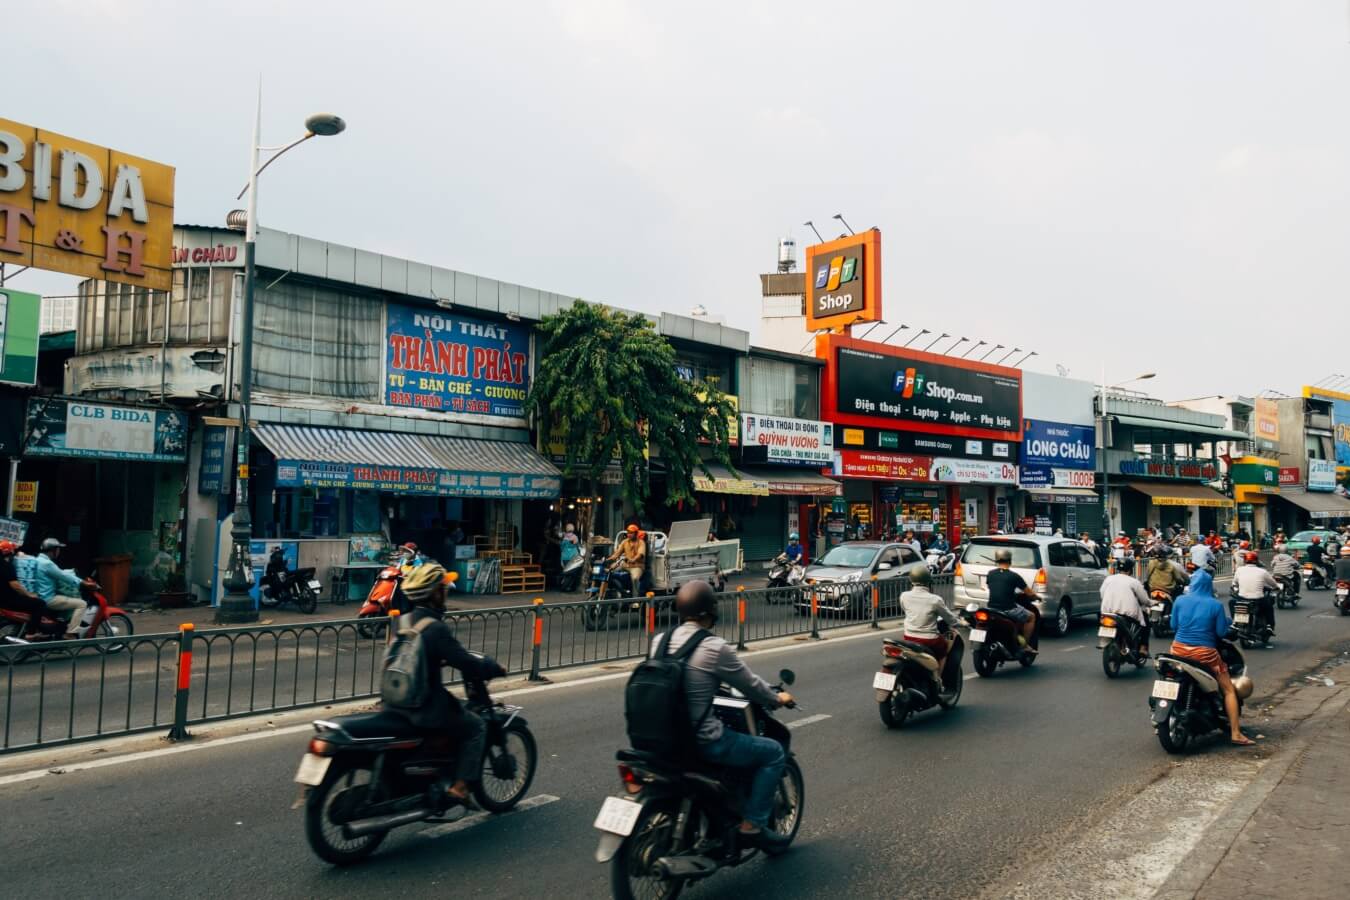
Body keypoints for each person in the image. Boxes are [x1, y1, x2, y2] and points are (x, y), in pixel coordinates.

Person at [652, 581, 794, 849]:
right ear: (710, 611)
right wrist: (777, 698)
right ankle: (752, 825)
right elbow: (751, 685)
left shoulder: (660, 641)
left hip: (662, 739)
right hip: (703, 741)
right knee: (773, 752)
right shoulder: (714, 647)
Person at [393, 561, 505, 807]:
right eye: (444, 588)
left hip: (395, 702)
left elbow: (408, 658)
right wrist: (493, 668)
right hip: (425, 706)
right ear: (435, 593)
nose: (447, 592)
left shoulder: (401, 622)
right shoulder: (435, 628)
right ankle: (460, 787)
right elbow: (465, 661)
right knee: (475, 727)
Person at [1169, 569, 1253, 746]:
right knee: (1229, 689)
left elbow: (1173, 625)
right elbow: (1221, 632)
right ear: (1209, 586)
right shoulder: (1214, 605)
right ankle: (1236, 733)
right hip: (1204, 654)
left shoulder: (1180, 600)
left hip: (1178, 650)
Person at [899, 563, 964, 682]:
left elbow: (907, 611)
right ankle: (937, 680)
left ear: (911, 579)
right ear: (928, 580)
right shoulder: (935, 599)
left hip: (908, 637)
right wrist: (961, 622)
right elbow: (950, 619)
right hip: (929, 639)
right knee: (943, 651)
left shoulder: (904, 596)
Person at [32, 538, 88, 639]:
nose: (59, 551)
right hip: (48, 599)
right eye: (58, 549)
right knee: (81, 604)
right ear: (53, 550)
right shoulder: (47, 564)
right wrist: (83, 582)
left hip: (37, 597)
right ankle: (70, 633)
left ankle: (61, 625)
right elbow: (63, 576)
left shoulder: (36, 560)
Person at [984, 548, 1038, 651]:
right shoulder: (1014, 576)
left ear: (997, 560)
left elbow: (993, 586)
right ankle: (1025, 645)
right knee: (1031, 617)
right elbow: (1029, 592)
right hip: (1008, 609)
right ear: (1010, 561)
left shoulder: (990, 573)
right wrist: (1036, 597)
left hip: (992, 608)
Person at [1100, 560, 1154, 657]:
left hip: (1107, 612)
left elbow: (1102, 593)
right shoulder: (1134, 582)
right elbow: (1144, 600)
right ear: (1130, 570)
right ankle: (1143, 648)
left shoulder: (1108, 579)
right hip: (1127, 613)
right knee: (1145, 622)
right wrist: (1152, 603)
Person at [0, 541, 50, 638]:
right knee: (40, 604)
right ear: (9, 553)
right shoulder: (6, 565)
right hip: (8, 600)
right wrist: (29, 594)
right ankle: (31, 633)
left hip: (2, 600)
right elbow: (15, 585)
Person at [1232, 551, 1278, 641]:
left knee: (1232, 603)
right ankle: (1269, 626)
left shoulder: (1239, 570)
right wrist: (1276, 587)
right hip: (1258, 599)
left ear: (1245, 560)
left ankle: (1235, 623)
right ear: (1256, 561)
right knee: (1269, 606)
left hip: (1242, 598)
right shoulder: (1262, 571)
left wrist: (1237, 589)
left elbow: (1234, 583)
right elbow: (1273, 583)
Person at [607, 524, 647, 595]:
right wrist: (608, 560)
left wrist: (633, 559)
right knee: (609, 571)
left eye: (631, 533)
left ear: (636, 533)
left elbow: (640, 554)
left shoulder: (641, 542)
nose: (629, 534)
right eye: (628, 533)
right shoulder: (624, 542)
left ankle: (635, 599)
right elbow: (617, 554)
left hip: (637, 566)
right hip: (625, 565)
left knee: (635, 578)